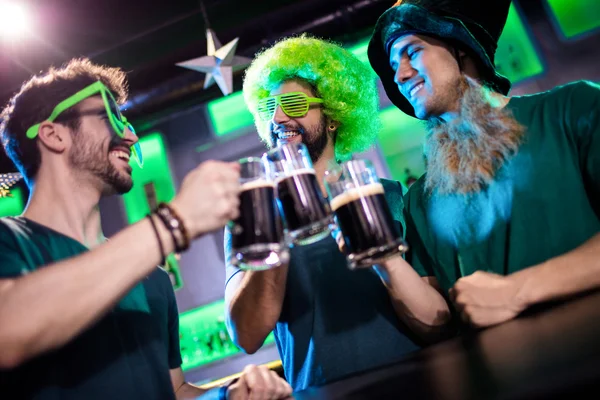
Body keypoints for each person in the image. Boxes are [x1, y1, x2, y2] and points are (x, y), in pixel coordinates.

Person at [0, 58, 293, 400]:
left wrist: (228, 398)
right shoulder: (10, 241)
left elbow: (173, 390)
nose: (131, 135)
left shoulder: (152, 278)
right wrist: (172, 223)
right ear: (54, 134)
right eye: (109, 116)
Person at [224, 35, 451, 391]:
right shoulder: (252, 215)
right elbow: (247, 336)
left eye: (294, 103)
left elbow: (436, 323)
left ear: (332, 116)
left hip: (417, 383)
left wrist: (385, 258)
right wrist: (276, 232)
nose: (279, 117)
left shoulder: (390, 195)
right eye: (269, 108)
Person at [367, 0, 600, 328]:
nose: (401, 74)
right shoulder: (418, 199)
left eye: (412, 52)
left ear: (460, 48)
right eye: (393, 65)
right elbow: (436, 327)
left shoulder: (573, 109)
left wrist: (518, 291)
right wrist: (384, 260)